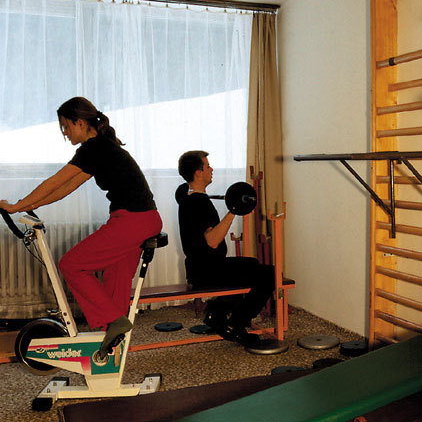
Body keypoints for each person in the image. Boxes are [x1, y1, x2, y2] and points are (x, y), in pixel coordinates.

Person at [0, 97, 162, 359]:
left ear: (80, 122)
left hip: (132, 220)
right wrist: (27, 205)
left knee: (71, 265)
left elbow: (55, 182)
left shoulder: (94, 148)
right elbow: (65, 188)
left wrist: (18, 205)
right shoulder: (101, 147)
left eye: (65, 126)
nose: (65, 133)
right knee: (114, 282)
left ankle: (115, 323)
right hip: (143, 218)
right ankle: (111, 350)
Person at [177, 150, 274, 345]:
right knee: (268, 274)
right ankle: (237, 322)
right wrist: (233, 210)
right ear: (198, 173)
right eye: (207, 166)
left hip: (201, 269)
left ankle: (216, 313)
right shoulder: (198, 202)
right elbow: (212, 241)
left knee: (251, 265)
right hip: (208, 271)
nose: (211, 169)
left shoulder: (190, 198)